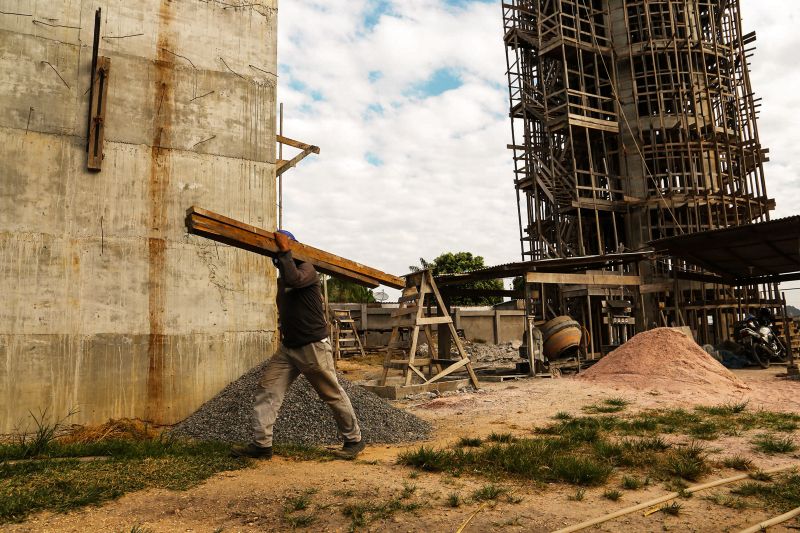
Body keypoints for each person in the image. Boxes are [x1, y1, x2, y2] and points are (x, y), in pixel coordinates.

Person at [232, 230, 365, 460]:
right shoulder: (282, 280)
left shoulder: (307, 269)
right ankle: (262, 445)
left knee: (331, 393)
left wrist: (285, 249)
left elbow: (295, 279)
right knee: (267, 389)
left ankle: (354, 440)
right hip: (289, 348)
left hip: (313, 346)